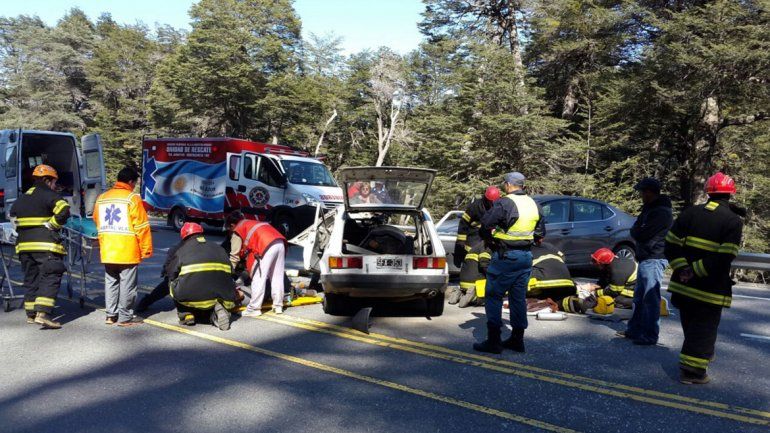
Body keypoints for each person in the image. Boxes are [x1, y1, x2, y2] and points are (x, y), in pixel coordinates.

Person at [665, 172, 744, 385]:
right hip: (709, 287)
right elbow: (725, 256)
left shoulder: (691, 213)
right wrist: (697, 270)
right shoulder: (732, 221)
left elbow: (671, 244)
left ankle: (703, 354)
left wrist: (683, 269)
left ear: (709, 192)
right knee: (704, 328)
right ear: (730, 194)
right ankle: (693, 372)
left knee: (692, 327)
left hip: (683, 285)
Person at [474, 172, 544, 354]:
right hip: (526, 257)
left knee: (493, 295)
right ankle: (517, 340)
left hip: (506, 257)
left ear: (508, 185)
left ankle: (494, 341)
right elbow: (540, 232)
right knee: (518, 298)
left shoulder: (505, 202)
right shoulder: (533, 203)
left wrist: (491, 237)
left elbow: (486, 222)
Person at [10, 164, 70, 329]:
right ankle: (42, 313)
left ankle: (30, 314)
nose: (54, 185)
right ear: (47, 180)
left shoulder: (21, 198)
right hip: (45, 245)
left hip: (23, 246)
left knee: (31, 278)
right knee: (51, 274)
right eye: (53, 182)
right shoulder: (49, 195)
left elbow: (13, 218)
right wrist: (52, 224)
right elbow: (64, 210)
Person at [94, 167, 152, 327]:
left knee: (111, 281)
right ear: (131, 182)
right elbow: (141, 225)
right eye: (135, 183)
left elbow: (96, 219)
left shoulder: (102, 197)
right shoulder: (132, 198)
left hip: (108, 248)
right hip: (127, 249)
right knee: (127, 284)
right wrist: (146, 249)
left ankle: (110, 315)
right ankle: (125, 317)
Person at [621, 178, 673, 345]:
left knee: (650, 298)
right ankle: (634, 329)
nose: (641, 195)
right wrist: (638, 232)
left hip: (654, 258)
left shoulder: (661, 212)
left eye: (643, 192)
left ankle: (650, 334)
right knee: (639, 297)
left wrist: (639, 234)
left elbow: (642, 234)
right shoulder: (650, 209)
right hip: (645, 257)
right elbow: (635, 229)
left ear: (650, 192)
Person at [165, 223, 237, 330]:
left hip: (194, 295)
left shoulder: (182, 250)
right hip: (225, 294)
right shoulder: (219, 248)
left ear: (184, 236)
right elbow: (232, 272)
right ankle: (217, 312)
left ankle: (185, 314)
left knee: (171, 282)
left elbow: (171, 273)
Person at [226, 211, 287, 317]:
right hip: (280, 242)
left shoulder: (237, 230)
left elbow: (234, 256)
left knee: (258, 277)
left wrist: (227, 273)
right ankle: (278, 306)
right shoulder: (252, 222)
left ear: (232, 225)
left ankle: (254, 308)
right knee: (277, 276)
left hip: (265, 245)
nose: (230, 233)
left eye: (229, 229)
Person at [455, 186, 501, 266]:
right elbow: (464, 222)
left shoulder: (498, 206)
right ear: (485, 198)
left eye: (494, 201)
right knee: (472, 257)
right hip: (474, 235)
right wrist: (461, 240)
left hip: (489, 237)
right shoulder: (475, 206)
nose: (492, 204)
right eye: (490, 201)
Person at [527, 240, 578, 312]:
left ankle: (540, 300)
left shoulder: (524, 248)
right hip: (568, 283)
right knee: (556, 296)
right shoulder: (548, 245)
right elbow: (563, 257)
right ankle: (566, 303)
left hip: (543, 284)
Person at [454, 242, 491, 308]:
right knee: (490, 299)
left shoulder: (477, 246)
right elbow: (484, 264)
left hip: (463, 281)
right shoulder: (486, 247)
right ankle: (474, 298)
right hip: (475, 282)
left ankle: (460, 294)